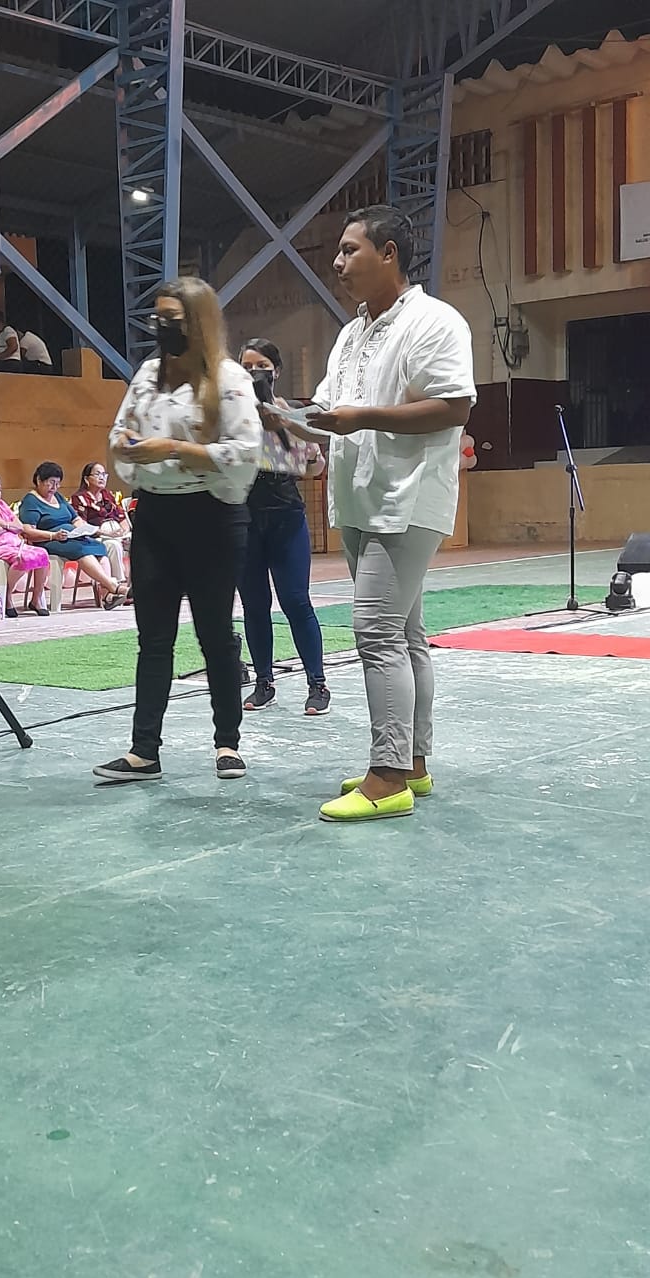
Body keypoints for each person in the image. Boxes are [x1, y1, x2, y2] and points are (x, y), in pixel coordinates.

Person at [271, 205, 475, 822]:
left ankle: (386, 778)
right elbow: (328, 413)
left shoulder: (435, 321)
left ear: (389, 253)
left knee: (376, 632)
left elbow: (454, 406)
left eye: (349, 250)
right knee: (405, 635)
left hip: (408, 499)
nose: (337, 263)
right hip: (360, 500)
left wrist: (360, 418)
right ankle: (412, 763)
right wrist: (282, 417)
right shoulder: (350, 334)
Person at [93, 276, 261, 785]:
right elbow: (118, 432)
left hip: (212, 519)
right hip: (154, 518)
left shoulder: (229, 379)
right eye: (158, 318)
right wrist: (125, 444)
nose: (161, 328)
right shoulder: (148, 374)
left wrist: (170, 449)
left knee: (216, 636)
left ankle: (227, 742)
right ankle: (144, 750)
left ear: (200, 323)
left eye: (174, 320)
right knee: (153, 639)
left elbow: (246, 453)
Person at [238, 339, 330, 717]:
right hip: (244, 516)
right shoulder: (230, 416)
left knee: (295, 600)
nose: (254, 374)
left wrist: (286, 428)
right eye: (246, 367)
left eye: (261, 366)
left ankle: (317, 684)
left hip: (285, 514)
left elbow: (316, 465)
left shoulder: (292, 413)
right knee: (254, 604)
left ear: (276, 370)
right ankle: (263, 682)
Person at [19, 463, 126, 608]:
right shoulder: (31, 501)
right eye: (51, 482)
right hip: (48, 540)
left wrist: (87, 530)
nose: (54, 487)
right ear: (39, 480)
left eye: (57, 483)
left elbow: (75, 519)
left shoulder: (58, 497)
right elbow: (28, 531)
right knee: (81, 550)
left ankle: (106, 595)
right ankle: (114, 587)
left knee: (99, 547)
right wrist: (53, 535)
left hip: (69, 536)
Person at [0, 475, 52, 617]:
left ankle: (36, 599)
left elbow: (20, 527)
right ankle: (7, 597)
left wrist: (0, 523)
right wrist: (6, 525)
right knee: (22, 558)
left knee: (42, 553)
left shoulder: (1, 505)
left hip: (15, 544)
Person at [71, 462, 130, 588]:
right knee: (113, 545)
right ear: (86, 479)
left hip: (116, 533)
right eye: (97, 474)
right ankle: (117, 585)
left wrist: (124, 531)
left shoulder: (108, 495)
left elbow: (121, 516)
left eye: (104, 474)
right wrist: (107, 533)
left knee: (138, 541)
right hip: (96, 536)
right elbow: (81, 525)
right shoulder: (79, 498)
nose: (102, 477)